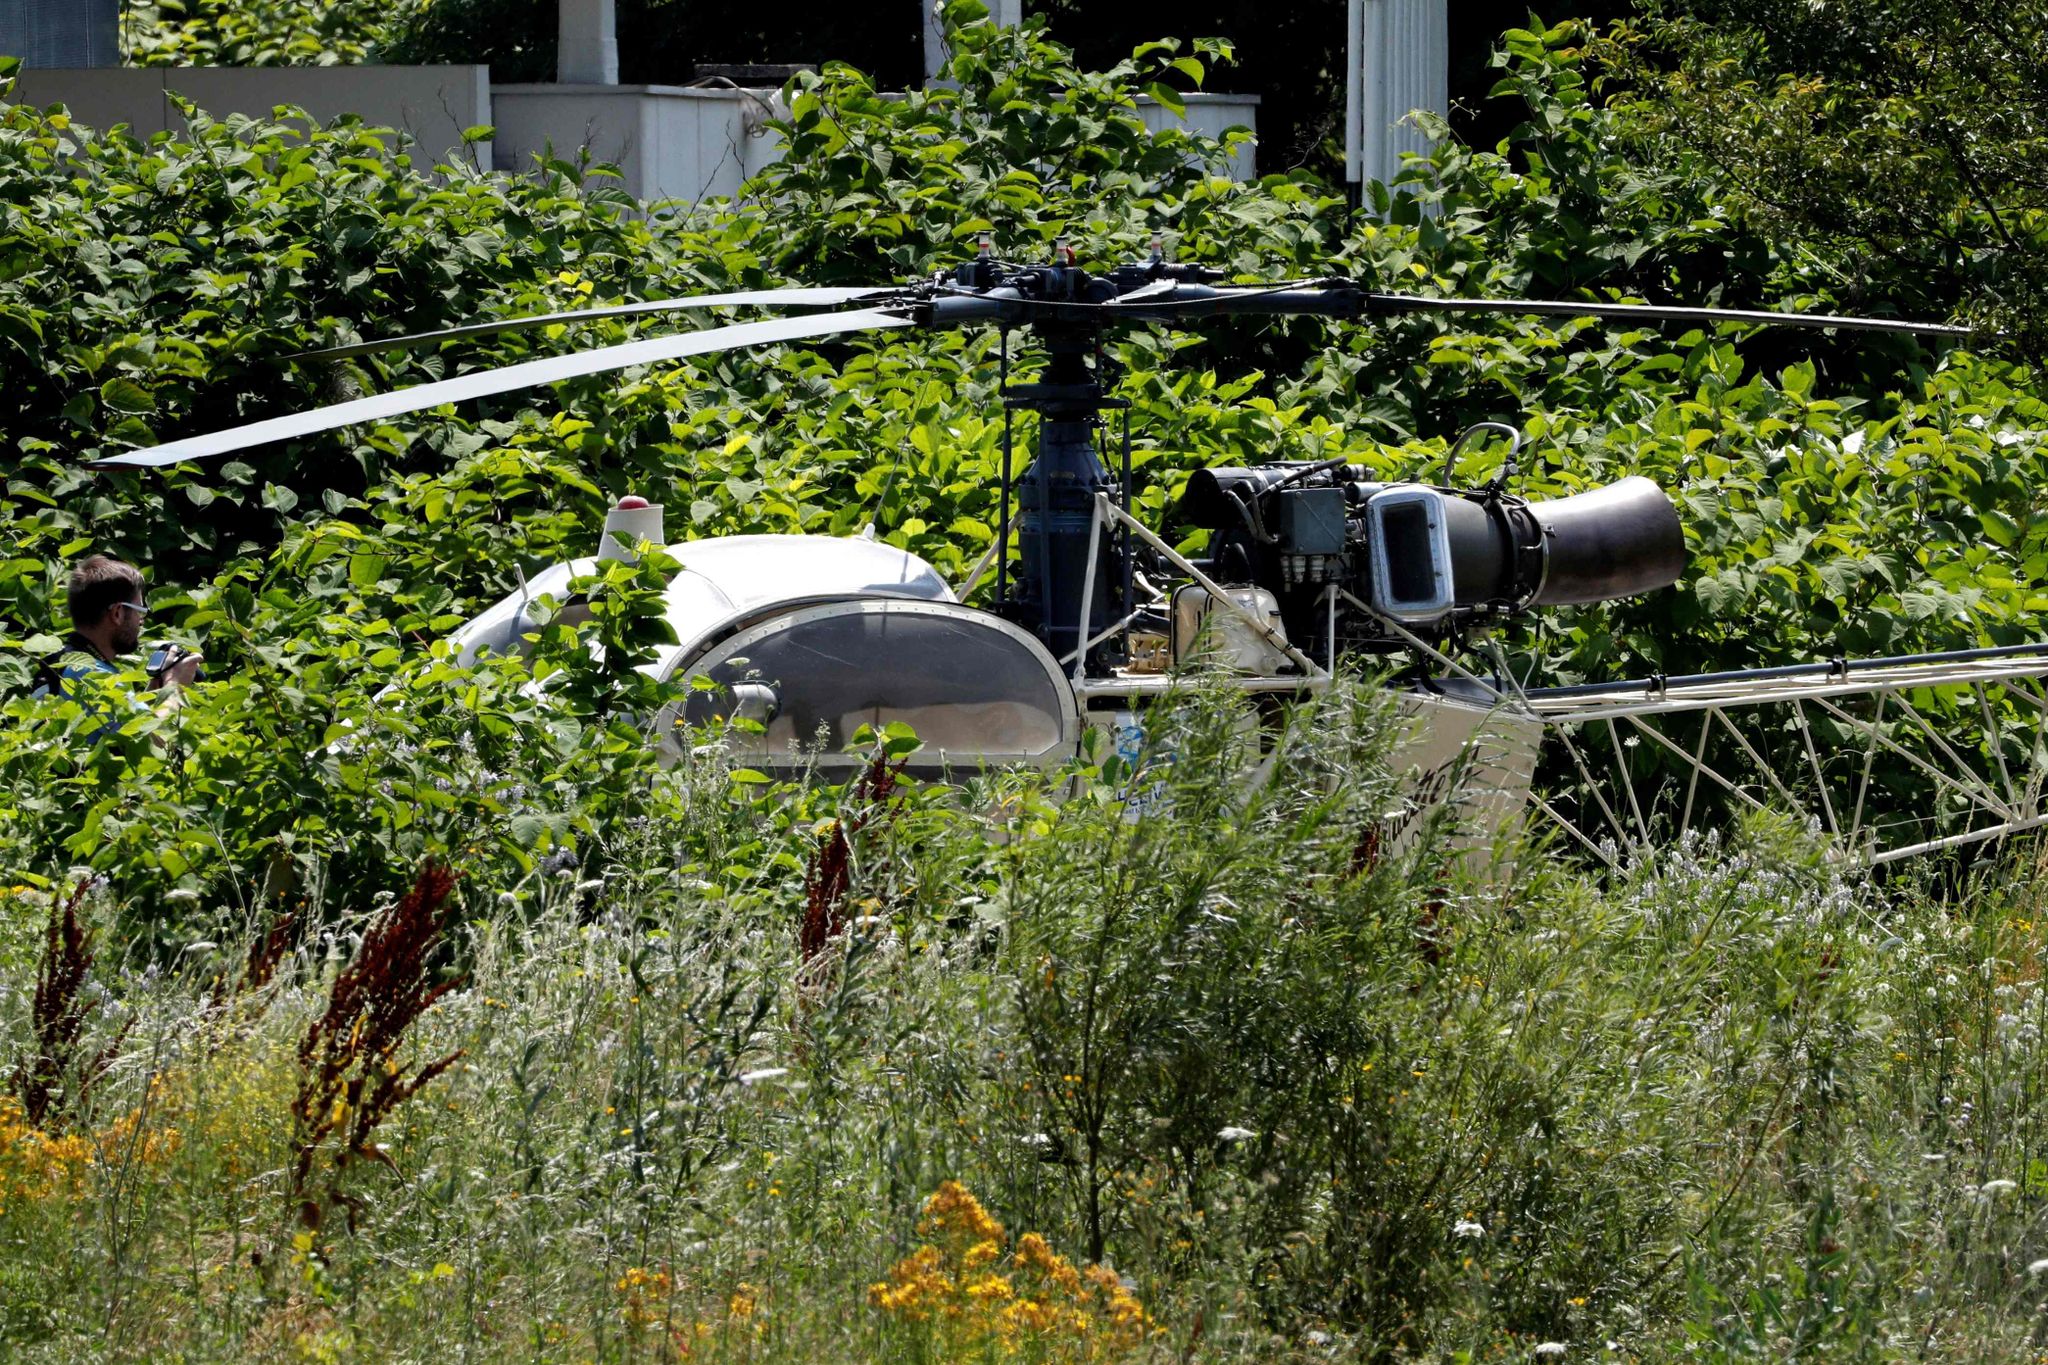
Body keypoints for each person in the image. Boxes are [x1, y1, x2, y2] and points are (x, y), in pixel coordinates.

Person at [36, 555, 202, 725]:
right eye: (140, 610)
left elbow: (126, 728)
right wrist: (175, 686)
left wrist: (156, 691)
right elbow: (154, 737)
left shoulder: (62, 662)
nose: (141, 621)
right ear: (118, 613)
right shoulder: (92, 675)